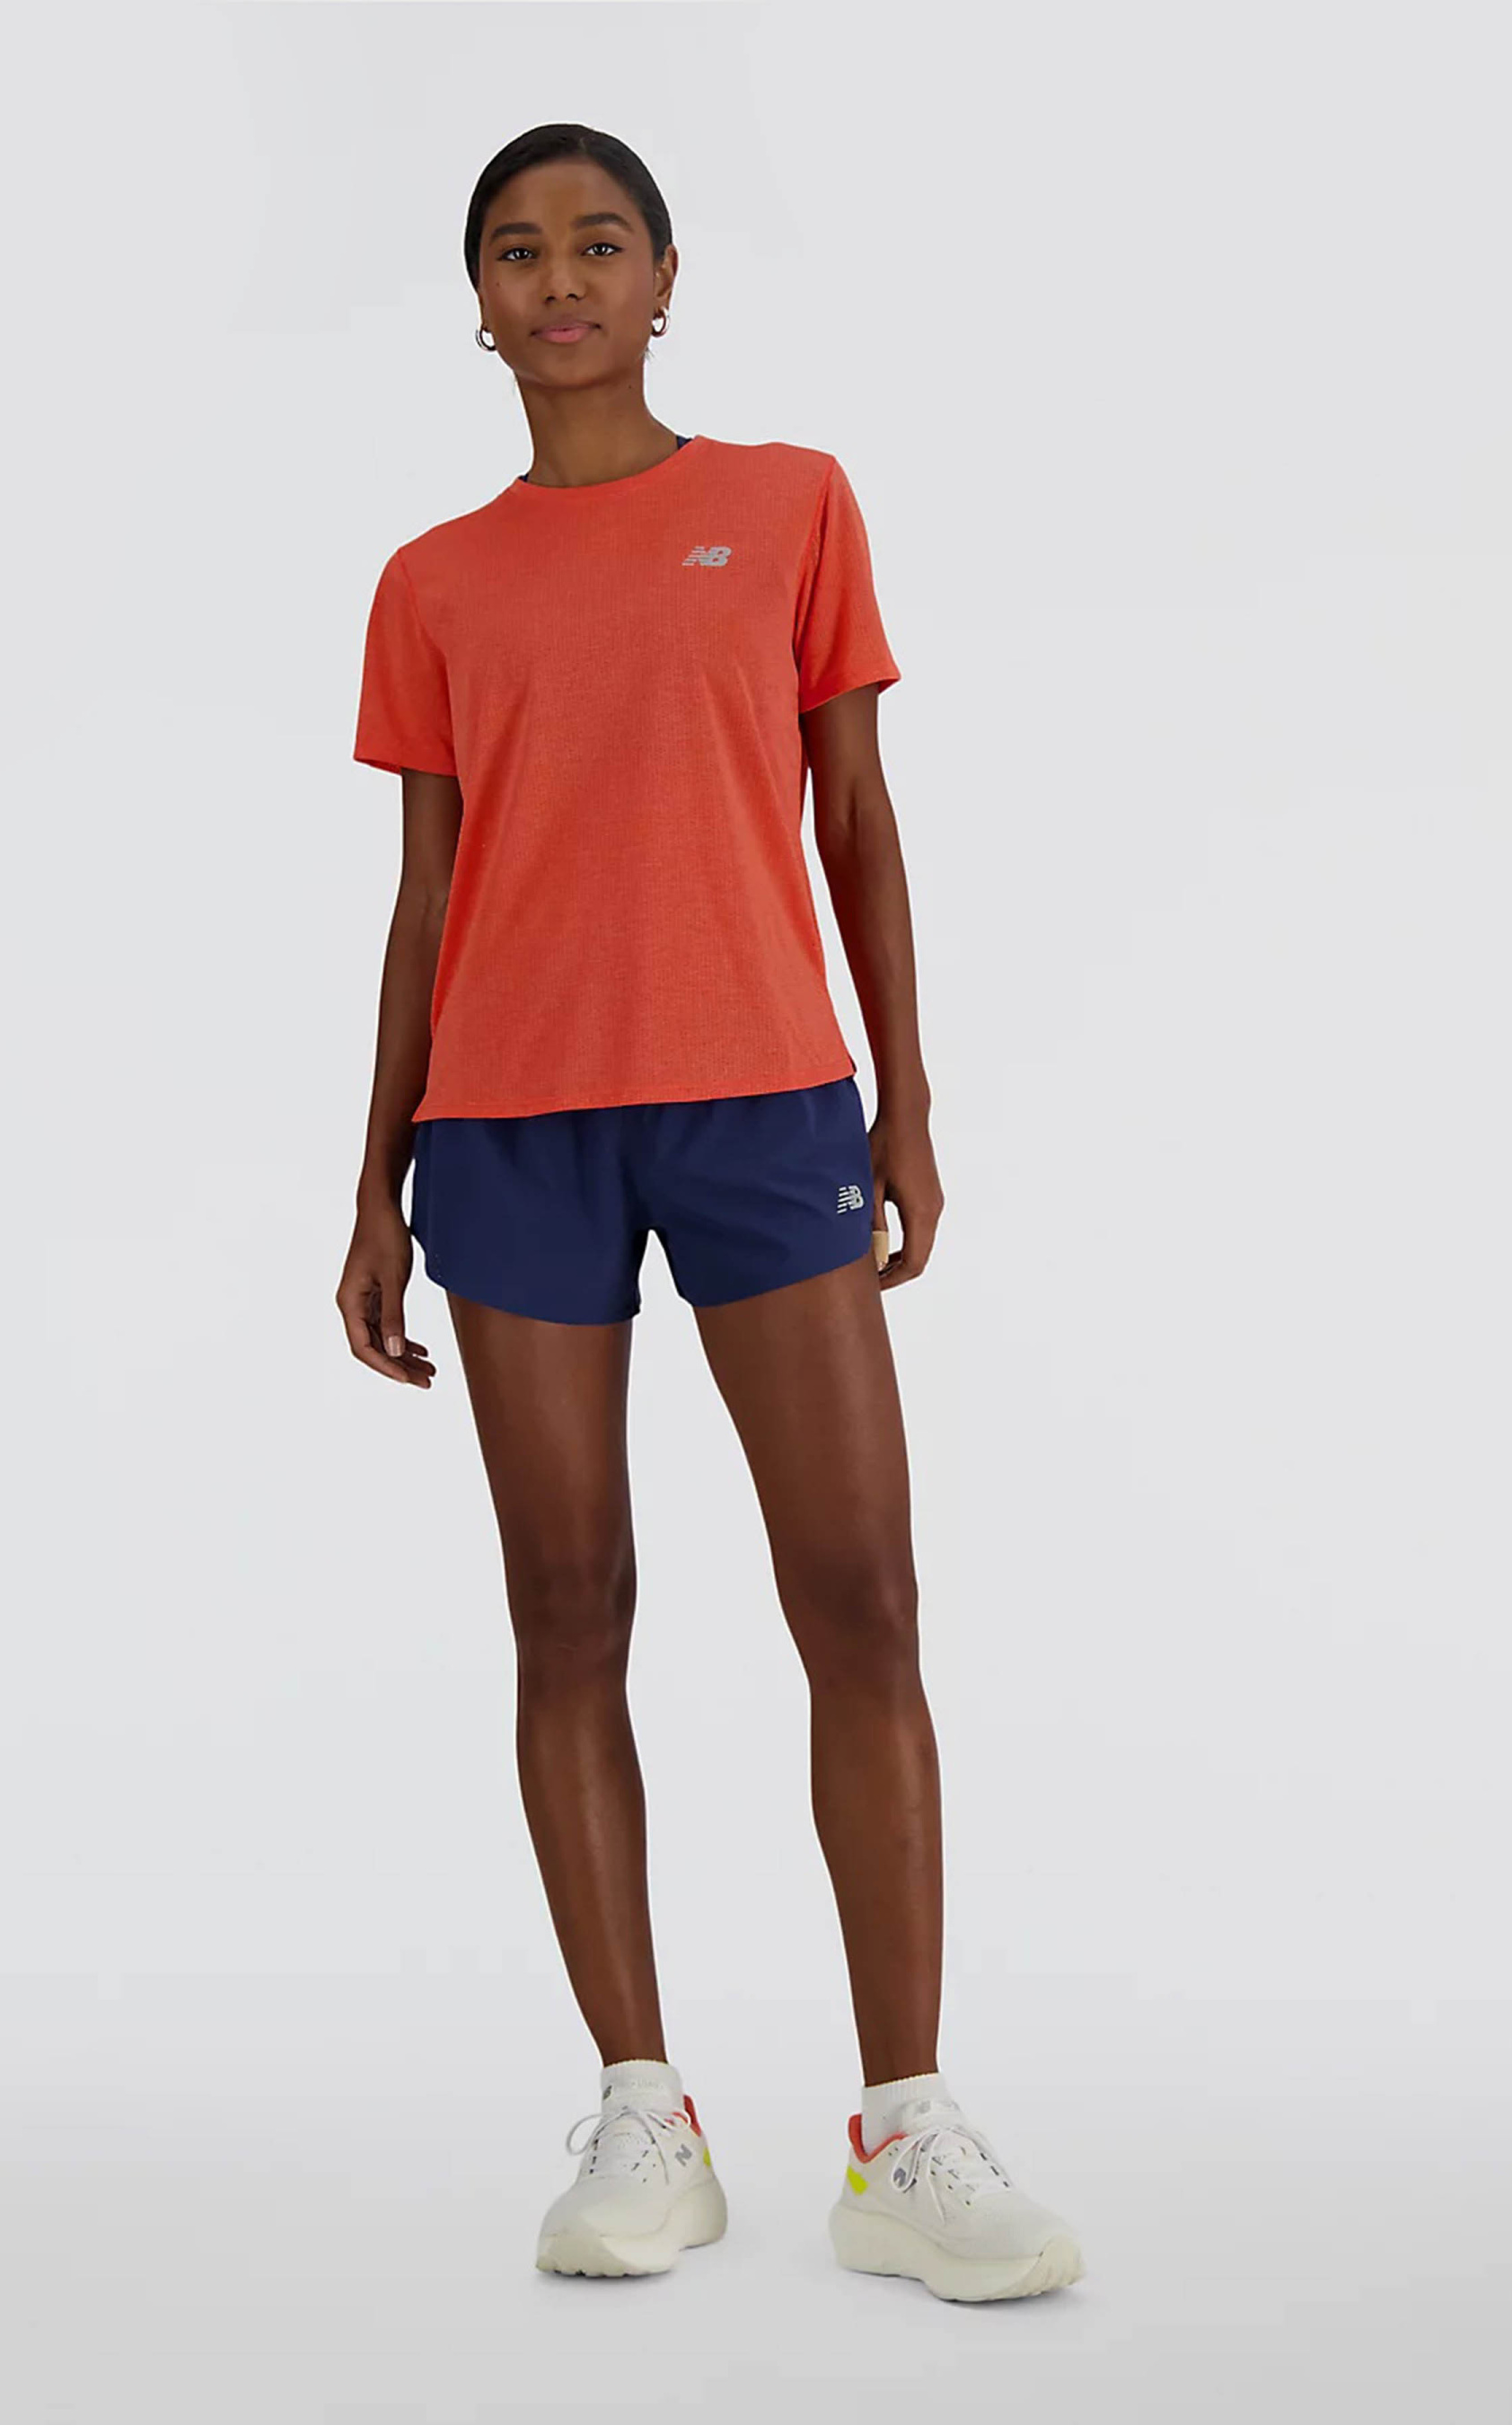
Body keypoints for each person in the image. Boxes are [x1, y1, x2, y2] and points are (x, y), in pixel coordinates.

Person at [338, 121, 1084, 2305]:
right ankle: (640, 2111)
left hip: (764, 1102)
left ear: (665, 279)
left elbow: (856, 819)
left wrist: (904, 1098)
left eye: (598, 241)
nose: (558, 277)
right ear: (476, 306)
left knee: (859, 1597)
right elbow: (427, 893)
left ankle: (902, 2129)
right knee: (566, 1606)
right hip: (507, 1127)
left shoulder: (787, 504)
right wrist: (372, 1173)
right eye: (515, 249)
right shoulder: (431, 581)